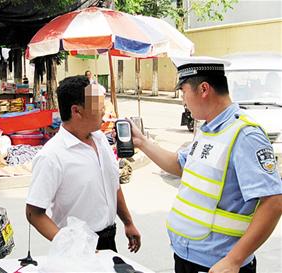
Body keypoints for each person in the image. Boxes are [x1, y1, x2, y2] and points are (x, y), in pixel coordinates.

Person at [126, 56, 282, 273]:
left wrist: (234, 261)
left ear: (204, 89)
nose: (183, 101)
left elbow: (274, 201)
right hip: (187, 257)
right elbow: (179, 166)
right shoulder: (208, 130)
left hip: (218, 264)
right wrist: (142, 142)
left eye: (184, 92)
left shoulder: (244, 135)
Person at [26, 76, 141, 253]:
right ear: (76, 111)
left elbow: (114, 185)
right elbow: (34, 213)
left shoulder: (101, 139)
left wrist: (128, 222)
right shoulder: (52, 156)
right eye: (98, 107)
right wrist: (73, 246)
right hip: (77, 248)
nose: (103, 111)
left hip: (108, 240)